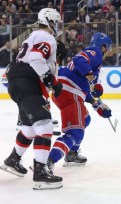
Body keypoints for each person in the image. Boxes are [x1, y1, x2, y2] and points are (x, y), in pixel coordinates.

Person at [0, 8, 63, 190]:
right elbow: (36, 58)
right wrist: (51, 81)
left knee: (29, 128)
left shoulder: (33, 36)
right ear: (50, 21)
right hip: (28, 82)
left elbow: (34, 57)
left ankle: (13, 159)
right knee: (45, 125)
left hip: (18, 81)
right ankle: (41, 172)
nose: (57, 26)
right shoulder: (46, 37)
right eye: (56, 22)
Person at [47, 32, 112, 171]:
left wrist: (97, 105)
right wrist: (93, 81)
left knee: (85, 119)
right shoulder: (95, 52)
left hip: (66, 92)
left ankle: (72, 153)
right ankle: (47, 162)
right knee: (75, 133)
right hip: (70, 93)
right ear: (104, 47)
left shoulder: (92, 61)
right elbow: (78, 60)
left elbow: (84, 89)